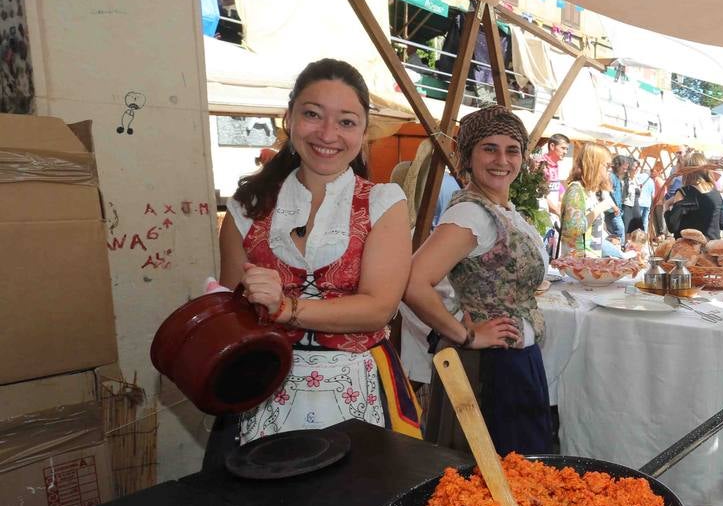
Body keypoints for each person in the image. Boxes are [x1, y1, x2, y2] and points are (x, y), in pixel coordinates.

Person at [207, 58, 420, 467]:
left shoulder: (383, 202)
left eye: (346, 122)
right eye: (312, 115)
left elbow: (378, 308)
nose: (327, 134)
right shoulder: (245, 209)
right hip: (265, 389)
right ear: (289, 118)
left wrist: (285, 308)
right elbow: (232, 318)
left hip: (358, 386)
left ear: (363, 131)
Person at [404, 105, 554, 456]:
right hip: (491, 370)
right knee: (497, 474)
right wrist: (464, 334)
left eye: (512, 150)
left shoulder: (498, 210)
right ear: (468, 156)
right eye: (489, 148)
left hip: (513, 363)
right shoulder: (472, 214)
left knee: (518, 472)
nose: (502, 159)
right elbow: (412, 282)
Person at [560, 142, 623, 257]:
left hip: (588, 262)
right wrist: (600, 208)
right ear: (593, 164)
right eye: (607, 166)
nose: (610, 170)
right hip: (576, 264)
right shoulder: (576, 190)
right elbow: (574, 229)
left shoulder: (589, 191)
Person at [666, 157, 723, 240]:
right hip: (712, 248)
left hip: (688, 248)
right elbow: (722, 224)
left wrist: (666, 205)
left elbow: (672, 226)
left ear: (687, 172)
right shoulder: (716, 193)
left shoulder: (684, 192)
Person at [540, 132, 570, 217]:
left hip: (553, 213)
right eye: (563, 148)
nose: (565, 152)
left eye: (567, 149)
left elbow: (557, 186)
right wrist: (557, 211)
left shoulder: (555, 164)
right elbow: (540, 194)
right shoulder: (541, 164)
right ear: (552, 146)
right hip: (543, 213)